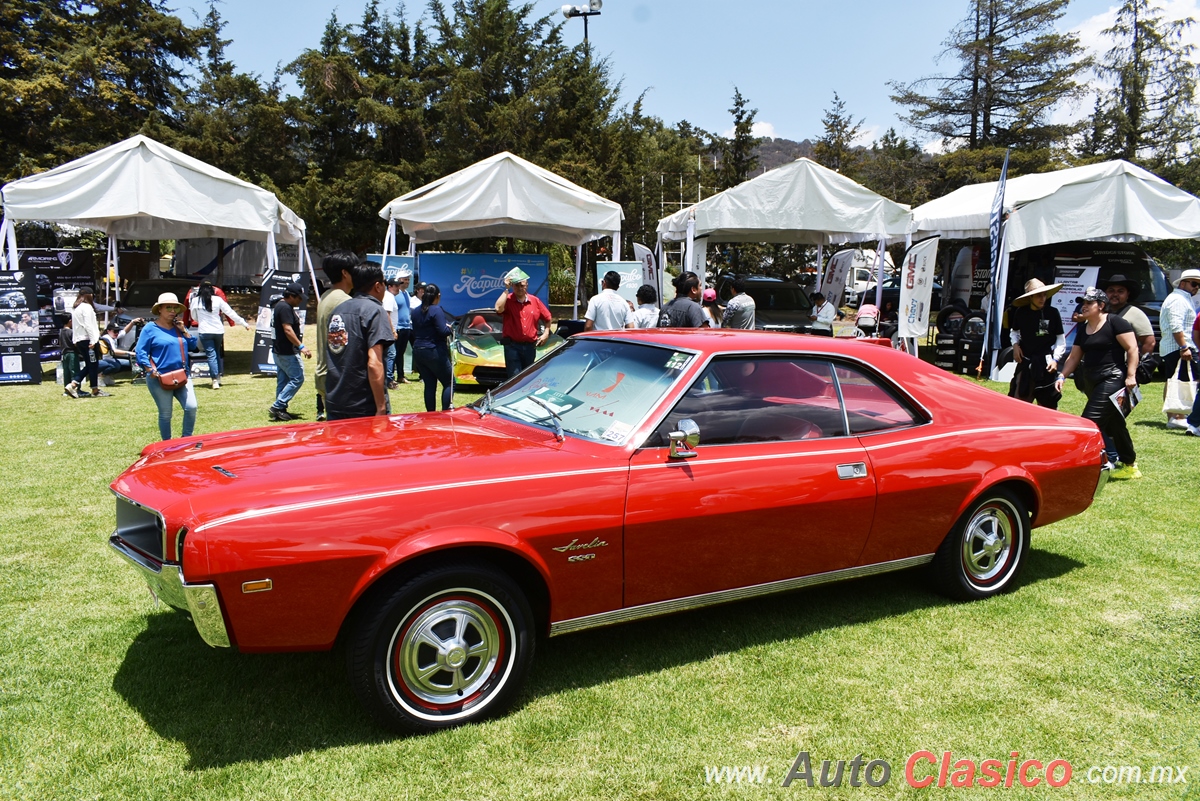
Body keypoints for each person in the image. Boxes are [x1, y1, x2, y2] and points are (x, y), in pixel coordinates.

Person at [1056, 287, 1141, 479]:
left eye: (1088, 303)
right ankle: (1130, 464)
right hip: (1091, 380)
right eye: (1083, 303)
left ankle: (1080, 467)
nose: (1083, 306)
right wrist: (1062, 376)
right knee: (1114, 424)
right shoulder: (1084, 328)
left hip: (1112, 378)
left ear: (1101, 306)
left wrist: (1130, 375)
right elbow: (1074, 357)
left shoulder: (1115, 322)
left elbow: (1133, 348)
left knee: (1090, 421)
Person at [325, 261, 393, 420]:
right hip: (363, 405)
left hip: (335, 400)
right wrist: (381, 407)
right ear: (378, 286)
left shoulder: (338, 310)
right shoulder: (375, 311)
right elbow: (374, 362)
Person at [135, 292, 199, 440]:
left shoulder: (179, 327)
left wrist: (184, 331)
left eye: (175, 308)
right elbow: (140, 351)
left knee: (191, 407)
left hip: (183, 375)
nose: (172, 311)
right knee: (166, 413)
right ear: (160, 310)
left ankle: (186, 439)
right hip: (159, 378)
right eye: (168, 307)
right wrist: (149, 370)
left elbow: (193, 346)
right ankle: (167, 444)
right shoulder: (150, 328)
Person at [1007, 278, 1066, 409]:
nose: (1042, 298)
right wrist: (1015, 345)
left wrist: (1056, 359)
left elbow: (1060, 339)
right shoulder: (1021, 312)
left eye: (1044, 294)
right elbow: (1014, 332)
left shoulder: (1053, 313)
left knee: (1048, 406)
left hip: (1046, 364)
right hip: (1025, 361)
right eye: (1039, 295)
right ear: (1030, 297)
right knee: (1017, 404)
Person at [315, 250, 356, 422]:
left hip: (325, 375)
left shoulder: (326, 296)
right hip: (339, 379)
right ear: (345, 273)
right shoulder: (344, 301)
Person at [1159, 268, 1200, 430]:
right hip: (1179, 347)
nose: (1196, 288)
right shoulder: (1177, 299)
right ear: (1183, 283)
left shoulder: (1182, 298)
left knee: (1174, 380)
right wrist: (1184, 347)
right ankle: (1177, 416)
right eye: (1194, 283)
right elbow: (1177, 326)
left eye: (1199, 285)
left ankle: (1176, 415)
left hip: (1177, 347)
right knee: (1180, 381)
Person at [189, 281, 249, 389]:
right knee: (216, 354)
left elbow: (193, 317)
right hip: (218, 331)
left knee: (211, 355)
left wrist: (201, 320)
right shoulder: (217, 299)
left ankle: (215, 379)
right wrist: (244, 323)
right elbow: (230, 312)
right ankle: (218, 376)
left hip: (204, 331)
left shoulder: (195, 300)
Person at [495, 268, 551, 378]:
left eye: (522, 285)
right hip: (512, 346)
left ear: (527, 285)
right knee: (515, 378)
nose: (520, 288)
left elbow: (548, 318)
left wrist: (546, 333)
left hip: (530, 347)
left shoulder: (535, 301)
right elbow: (498, 308)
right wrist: (506, 289)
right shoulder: (508, 300)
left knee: (528, 378)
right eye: (517, 285)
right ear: (513, 286)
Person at [269, 283, 311, 422]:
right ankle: (278, 406)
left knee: (283, 381)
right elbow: (287, 329)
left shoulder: (280, 306)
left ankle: (280, 410)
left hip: (278, 351)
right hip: (287, 351)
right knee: (297, 378)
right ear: (291, 296)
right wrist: (301, 346)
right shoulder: (285, 308)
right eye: (299, 298)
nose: (300, 300)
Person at [412, 282, 454, 411]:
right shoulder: (436, 310)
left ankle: (430, 414)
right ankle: (445, 411)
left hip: (418, 350)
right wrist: (449, 329)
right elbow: (442, 331)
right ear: (438, 295)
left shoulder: (415, 311)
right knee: (449, 382)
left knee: (430, 385)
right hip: (434, 350)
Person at [64, 286, 109, 398]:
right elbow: (88, 325)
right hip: (89, 340)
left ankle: (93, 389)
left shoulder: (76, 308)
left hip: (80, 340)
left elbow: (76, 326)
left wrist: (75, 339)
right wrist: (94, 340)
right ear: (89, 295)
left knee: (90, 365)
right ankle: (76, 385)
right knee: (93, 365)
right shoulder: (87, 307)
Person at [1100, 274, 1156, 356]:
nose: (1115, 294)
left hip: (1125, 365)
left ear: (1127, 294)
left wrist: (1141, 364)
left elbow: (1149, 342)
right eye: (1111, 291)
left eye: (1120, 291)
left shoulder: (1135, 313)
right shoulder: (1099, 313)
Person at [392, 268, 414, 384]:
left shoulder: (406, 294)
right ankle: (390, 376)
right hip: (397, 328)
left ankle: (400, 375)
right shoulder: (394, 294)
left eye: (408, 279)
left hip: (406, 327)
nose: (407, 282)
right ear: (399, 280)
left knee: (401, 353)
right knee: (393, 353)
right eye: (405, 279)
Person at [382, 273, 401, 389]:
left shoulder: (389, 296)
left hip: (386, 330)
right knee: (391, 354)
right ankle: (389, 380)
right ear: (389, 286)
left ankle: (387, 378)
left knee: (388, 355)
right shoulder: (388, 297)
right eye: (396, 285)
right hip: (388, 331)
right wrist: (393, 331)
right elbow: (387, 314)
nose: (398, 287)